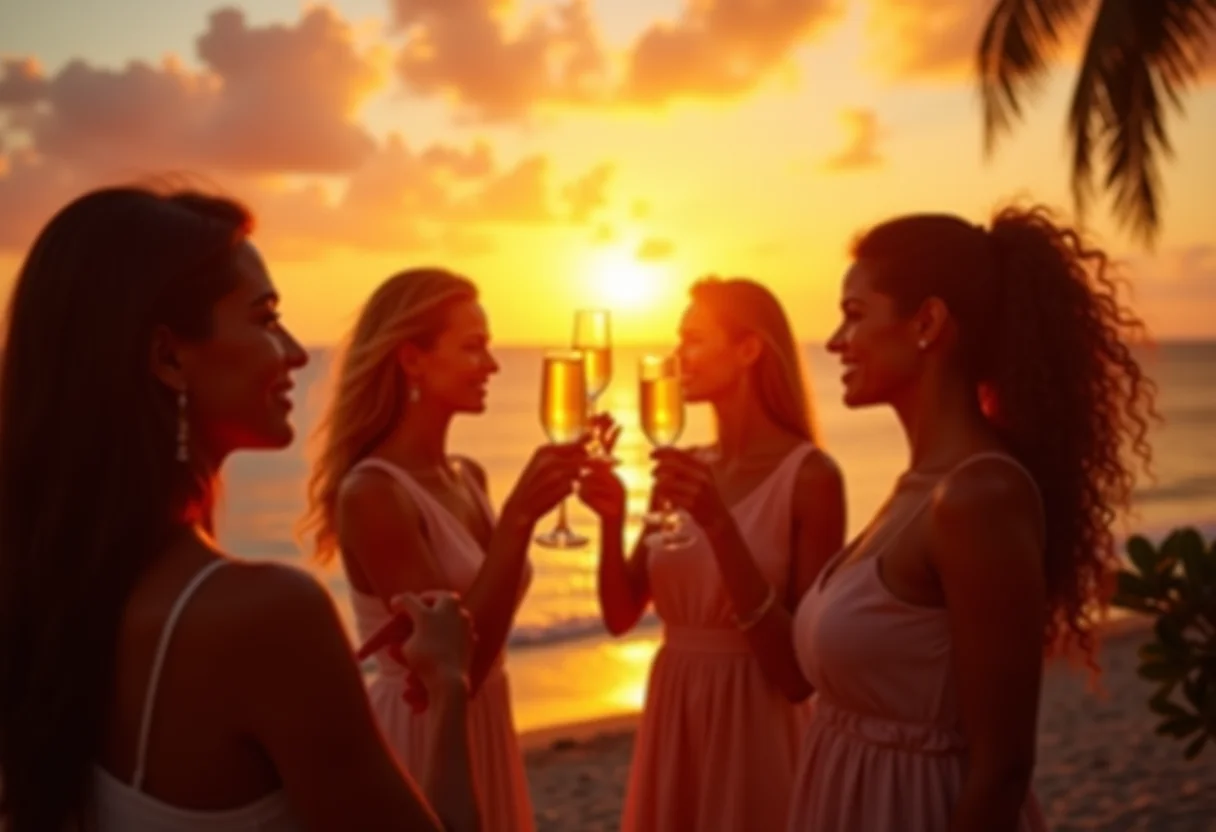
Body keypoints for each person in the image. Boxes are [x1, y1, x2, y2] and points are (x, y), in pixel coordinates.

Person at [0, 186, 484, 831]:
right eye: (264, 318)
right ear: (170, 357)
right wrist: (448, 681)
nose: (293, 351)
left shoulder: (41, 595)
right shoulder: (265, 616)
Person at [787, 206, 1156, 831]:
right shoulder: (916, 489)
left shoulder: (978, 496)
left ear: (928, 322)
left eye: (854, 314)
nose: (833, 341)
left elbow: (1003, 768)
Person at [301, 267, 587, 831]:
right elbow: (460, 666)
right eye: (474, 347)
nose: (494, 365)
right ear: (413, 359)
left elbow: (486, 638)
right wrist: (521, 519)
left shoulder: (468, 476)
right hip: (424, 736)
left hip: (486, 724)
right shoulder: (373, 493)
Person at [579, 277, 846, 831]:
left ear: (748, 349)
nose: (678, 357)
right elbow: (620, 615)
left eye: (694, 339)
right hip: (674, 714)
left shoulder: (811, 478)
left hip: (758, 726)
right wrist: (610, 519)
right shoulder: (683, 469)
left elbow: (798, 674)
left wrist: (720, 525)